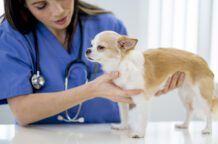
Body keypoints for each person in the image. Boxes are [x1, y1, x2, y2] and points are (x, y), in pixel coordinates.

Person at [0, 0, 185, 126]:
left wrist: (149, 88)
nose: (57, 10)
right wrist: (91, 90)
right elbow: (22, 112)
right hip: (39, 142)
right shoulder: (13, 37)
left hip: (106, 139)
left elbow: (126, 98)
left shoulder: (108, 27)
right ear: (22, 5)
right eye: (41, 5)